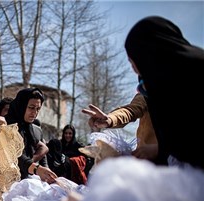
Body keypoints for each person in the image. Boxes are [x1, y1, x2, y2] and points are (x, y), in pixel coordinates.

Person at [124, 16, 204, 170]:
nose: (133, 68)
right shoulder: (156, 85)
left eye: (132, 60)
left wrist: (161, 149)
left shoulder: (194, 76)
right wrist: (161, 150)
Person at [81, 85, 159, 163]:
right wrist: (110, 119)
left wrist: (158, 149)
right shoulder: (145, 92)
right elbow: (131, 110)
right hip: (147, 163)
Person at [5, 87, 57, 184]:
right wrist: (35, 167)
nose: (35, 112)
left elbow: (43, 161)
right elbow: (15, 156)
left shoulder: (34, 130)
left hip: (26, 182)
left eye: (38, 109)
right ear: (21, 106)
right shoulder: (6, 127)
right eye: (31, 107)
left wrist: (48, 176)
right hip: (4, 184)